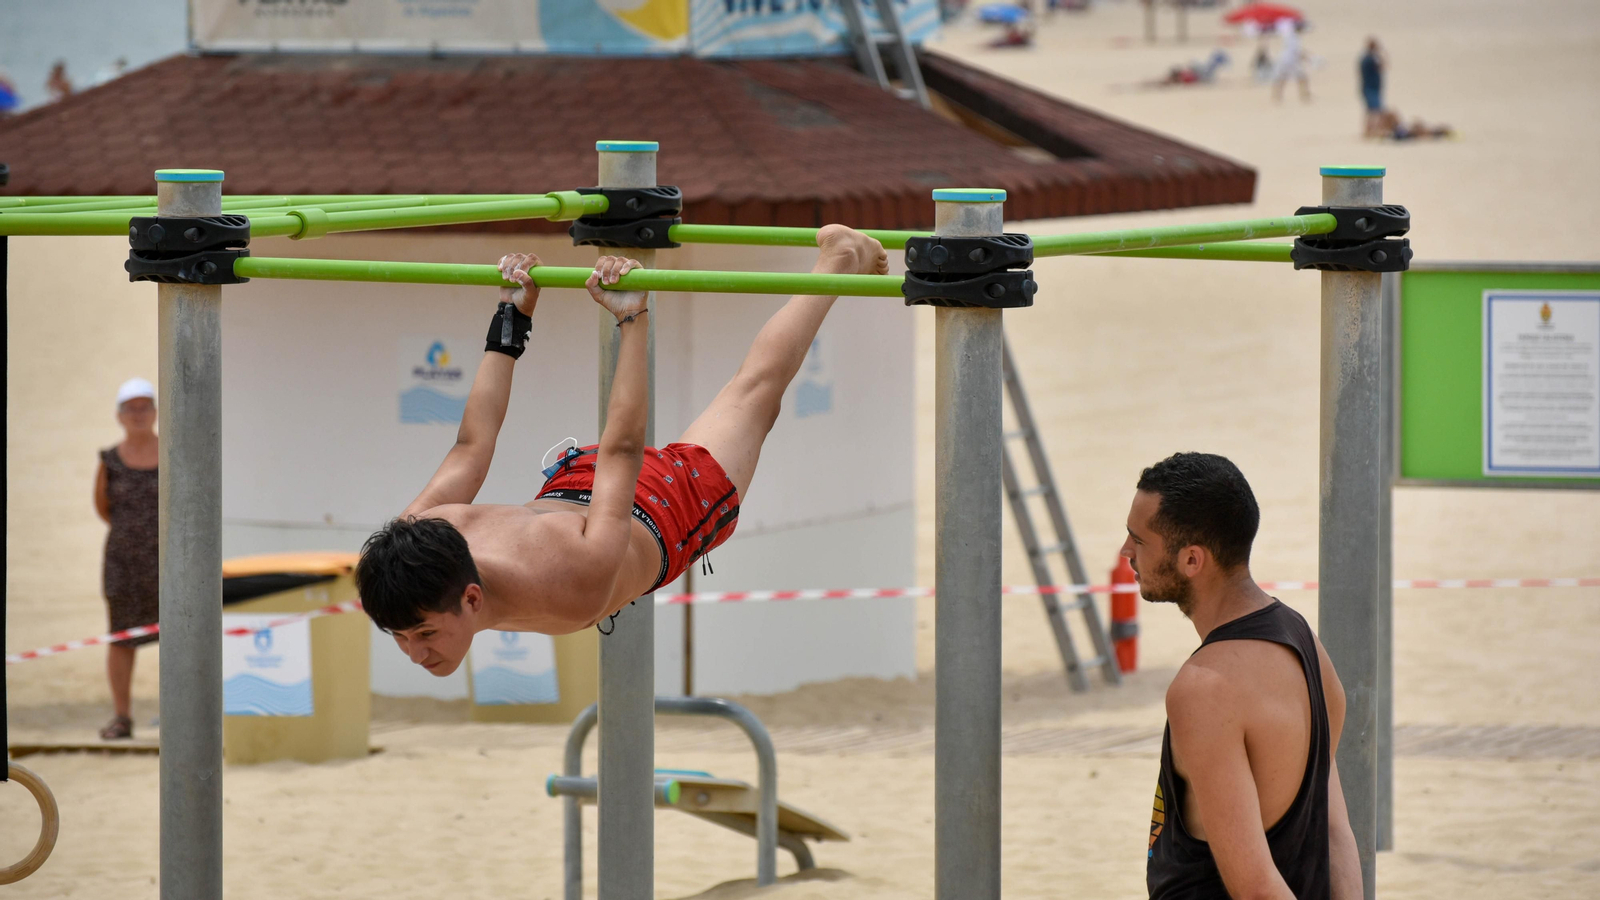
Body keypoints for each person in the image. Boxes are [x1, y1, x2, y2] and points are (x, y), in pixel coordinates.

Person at [355, 225, 889, 675]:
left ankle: (838, 259)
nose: (415, 653)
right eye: (399, 636)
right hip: (574, 481)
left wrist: (633, 319)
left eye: (424, 633)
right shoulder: (412, 542)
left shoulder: (570, 585)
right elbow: (471, 445)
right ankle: (842, 261)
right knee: (751, 393)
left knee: (755, 393)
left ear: (471, 598)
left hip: (664, 510)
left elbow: (624, 451)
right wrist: (510, 317)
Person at [1124, 453, 1361, 899]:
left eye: (1138, 540)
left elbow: (1256, 889)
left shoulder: (1204, 689)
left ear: (1191, 560)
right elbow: (1336, 834)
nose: (1126, 552)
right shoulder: (1304, 641)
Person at [94, 378, 160, 740]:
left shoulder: (172, 452)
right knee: (121, 638)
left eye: (144, 406)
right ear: (119, 416)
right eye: (130, 408)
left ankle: (179, 713)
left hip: (168, 565)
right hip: (122, 566)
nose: (138, 414)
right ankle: (122, 717)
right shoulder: (110, 460)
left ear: (155, 411)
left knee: (179, 635)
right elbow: (103, 508)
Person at [1270, 18, 1311, 103]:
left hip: (1285, 59)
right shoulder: (1294, 38)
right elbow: (1297, 51)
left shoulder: (1290, 36)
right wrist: (1309, 59)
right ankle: (1305, 95)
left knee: (1283, 78)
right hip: (1290, 61)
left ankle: (1277, 96)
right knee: (1301, 78)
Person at [1359, 38, 1386, 137]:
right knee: (1375, 111)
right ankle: (1371, 131)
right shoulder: (1370, 59)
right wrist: (1381, 54)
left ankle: (1369, 131)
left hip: (1369, 87)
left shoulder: (1365, 58)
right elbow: (1382, 67)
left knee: (1371, 110)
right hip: (1371, 88)